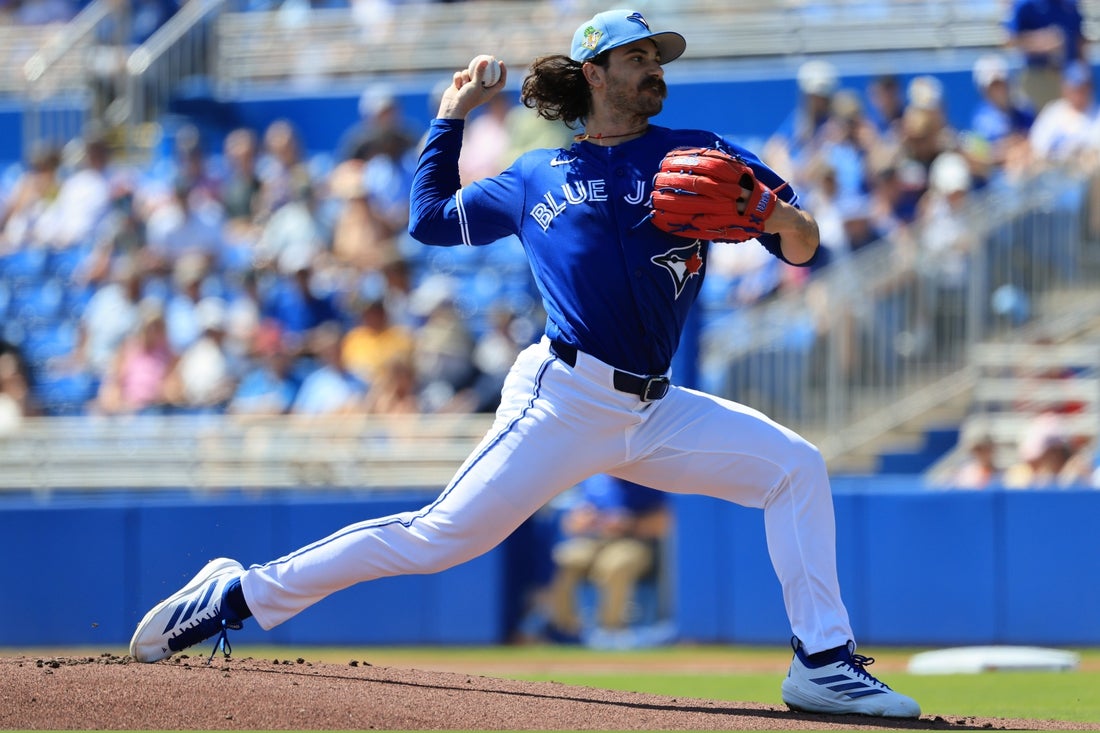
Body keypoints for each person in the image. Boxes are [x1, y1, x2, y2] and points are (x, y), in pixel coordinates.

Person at [128, 9, 920, 719]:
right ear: (594, 74)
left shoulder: (698, 151)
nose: (654, 68)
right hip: (563, 398)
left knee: (795, 467)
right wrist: (452, 116)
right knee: (437, 538)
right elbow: (430, 221)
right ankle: (239, 592)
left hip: (655, 407)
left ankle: (823, 662)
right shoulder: (538, 174)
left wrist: (775, 215)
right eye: (637, 56)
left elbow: (805, 247)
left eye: (658, 56)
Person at [545, 475, 669, 639]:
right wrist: (585, 520)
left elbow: (662, 524)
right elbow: (571, 525)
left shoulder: (647, 480)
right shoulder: (593, 480)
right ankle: (567, 630)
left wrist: (628, 523)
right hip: (593, 540)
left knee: (615, 565)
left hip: (633, 541)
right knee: (565, 558)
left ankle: (610, 631)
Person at [1003, 0, 1086, 112]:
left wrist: (1083, 71)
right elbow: (1010, 41)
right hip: (1038, 76)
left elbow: (1080, 41)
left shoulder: (1070, 4)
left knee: (1072, 119)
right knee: (1038, 118)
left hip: (1068, 77)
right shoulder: (1025, 5)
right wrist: (1041, 42)